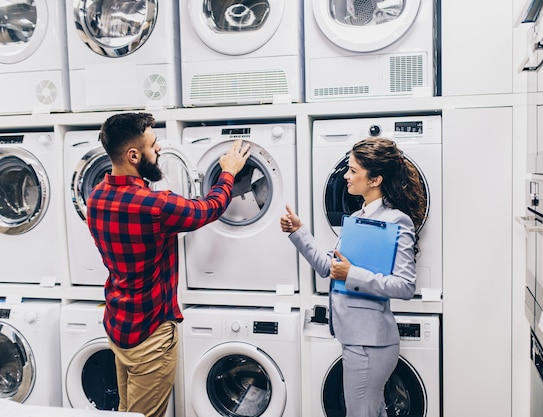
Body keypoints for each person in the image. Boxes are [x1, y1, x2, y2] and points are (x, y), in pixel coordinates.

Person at [86, 112, 250, 417]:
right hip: (150, 334)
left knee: (125, 411)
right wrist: (227, 171)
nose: (159, 148)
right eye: (153, 143)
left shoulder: (97, 197)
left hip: (118, 323)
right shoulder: (153, 205)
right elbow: (209, 208)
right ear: (133, 155)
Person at [280, 137, 426, 417]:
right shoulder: (357, 217)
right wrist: (297, 232)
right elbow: (330, 269)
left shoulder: (397, 221)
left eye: (353, 170)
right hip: (356, 337)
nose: (346, 176)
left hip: (371, 342)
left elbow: (405, 286)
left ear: (375, 179)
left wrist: (352, 274)